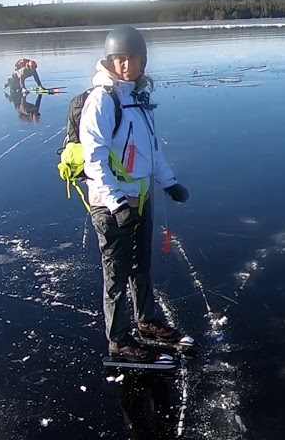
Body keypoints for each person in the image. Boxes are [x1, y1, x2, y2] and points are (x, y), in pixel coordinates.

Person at [81, 25, 191, 363]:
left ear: (143, 60)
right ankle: (119, 340)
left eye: (134, 59)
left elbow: (151, 149)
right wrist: (115, 203)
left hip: (141, 198)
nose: (127, 65)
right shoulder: (103, 100)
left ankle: (146, 321)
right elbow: (94, 159)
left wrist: (168, 181)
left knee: (141, 265)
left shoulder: (138, 98)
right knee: (115, 275)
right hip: (113, 204)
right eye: (121, 59)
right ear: (111, 60)